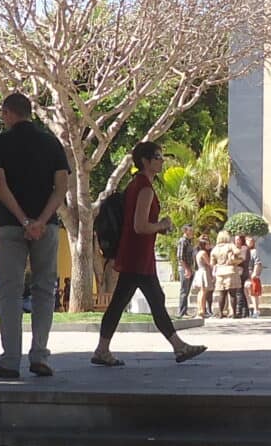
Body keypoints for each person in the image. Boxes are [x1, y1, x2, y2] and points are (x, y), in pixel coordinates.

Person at [89, 142, 207, 369]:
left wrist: (158, 227)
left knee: (124, 302)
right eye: (157, 156)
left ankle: (103, 349)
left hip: (135, 254)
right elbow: (140, 226)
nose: (161, 160)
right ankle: (179, 347)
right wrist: (161, 224)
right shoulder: (144, 188)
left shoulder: (137, 185)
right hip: (138, 255)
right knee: (153, 300)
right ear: (145, 161)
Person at [0, 91, 70, 380]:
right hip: (47, 227)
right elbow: (61, 186)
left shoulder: (1, 143)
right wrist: (41, 221)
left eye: (3, 114)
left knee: (9, 293)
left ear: (9, 113)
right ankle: (40, 356)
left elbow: (0, 184)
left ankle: (10, 361)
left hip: (11, 225)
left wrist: (23, 220)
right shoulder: (51, 143)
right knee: (45, 290)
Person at [210, 229, 242, 319]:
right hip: (230, 270)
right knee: (232, 293)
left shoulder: (215, 249)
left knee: (222, 293)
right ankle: (234, 313)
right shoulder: (230, 245)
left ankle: (220, 313)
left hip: (220, 272)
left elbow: (212, 263)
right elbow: (238, 252)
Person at [176, 225, 199, 317]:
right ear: (186, 231)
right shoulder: (182, 241)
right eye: (191, 230)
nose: (192, 232)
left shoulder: (189, 242)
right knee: (184, 290)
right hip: (185, 269)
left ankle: (184, 310)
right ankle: (181, 312)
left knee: (187, 291)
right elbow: (180, 257)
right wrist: (187, 269)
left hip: (190, 268)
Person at [194, 240, 215, 321]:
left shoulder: (199, 253)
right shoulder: (203, 253)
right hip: (204, 271)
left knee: (201, 292)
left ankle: (200, 309)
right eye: (207, 244)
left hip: (200, 271)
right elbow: (209, 263)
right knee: (203, 292)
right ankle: (202, 310)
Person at [244, 235, 264, 315]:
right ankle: (247, 308)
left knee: (253, 292)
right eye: (248, 241)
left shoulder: (253, 252)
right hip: (244, 273)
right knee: (245, 292)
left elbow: (257, 262)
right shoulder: (243, 250)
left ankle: (256, 310)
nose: (250, 242)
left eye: (252, 241)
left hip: (251, 272)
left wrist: (254, 273)